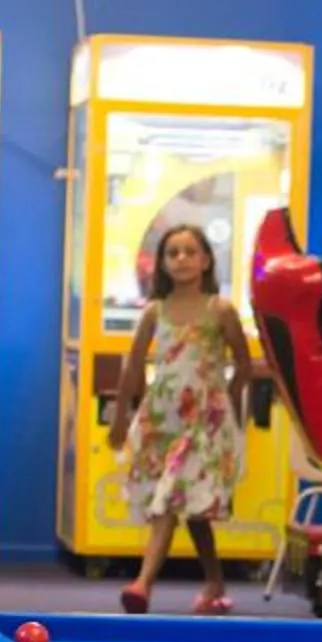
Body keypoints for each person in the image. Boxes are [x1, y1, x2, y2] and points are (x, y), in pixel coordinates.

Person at [107, 223, 251, 614]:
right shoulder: (156, 311)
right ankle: (215, 582)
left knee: (170, 498)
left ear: (205, 260)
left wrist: (230, 403)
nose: (182, 259)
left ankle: (142, 584)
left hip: (205, 422)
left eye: (190, 251)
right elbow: (134, 365)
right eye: (173, 253)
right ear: (163, 263)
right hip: (163, 418)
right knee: (191, 507)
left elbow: (242, 362)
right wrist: (121, 415)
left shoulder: (219, 310)